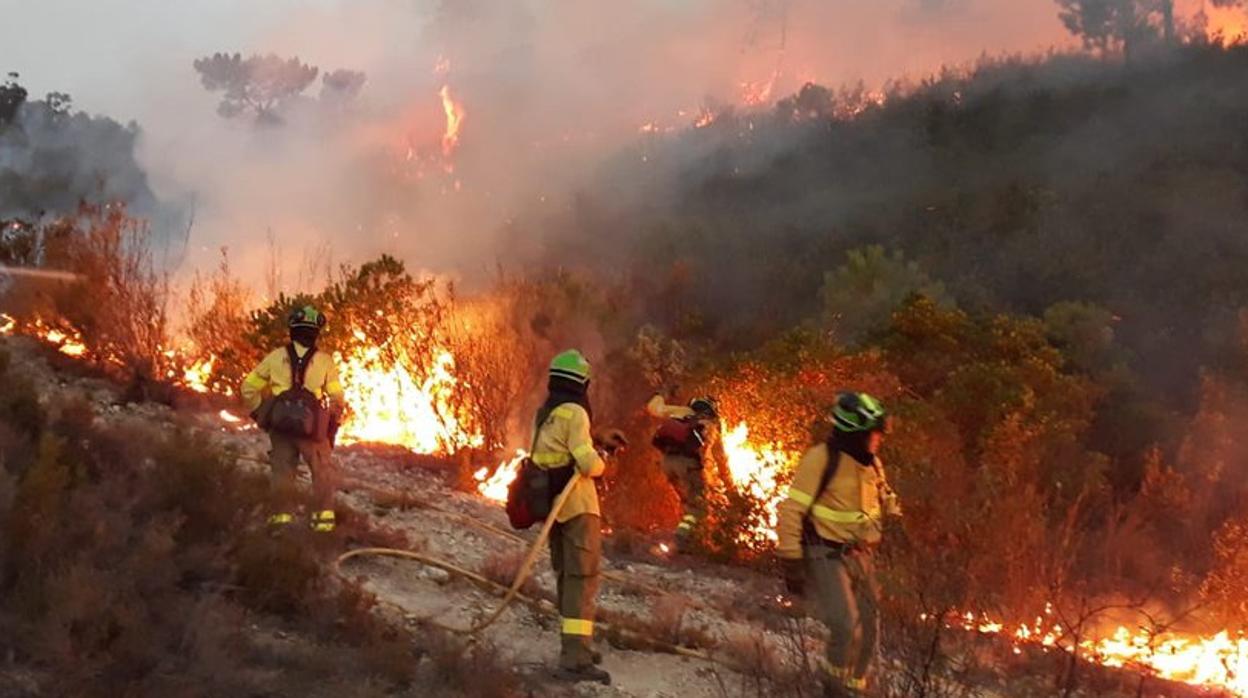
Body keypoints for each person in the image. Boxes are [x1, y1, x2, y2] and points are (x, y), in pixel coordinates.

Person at [775, 392, 902, 697]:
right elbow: (792, 511)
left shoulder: (873, 464)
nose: (877, 441)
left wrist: (896, 520)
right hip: (825, 553)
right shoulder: (820, 459)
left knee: (870, 628)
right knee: (846, 626)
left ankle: (854, 687)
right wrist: (791, 561)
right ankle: (832, 689)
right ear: (853, 434)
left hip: (862, 555)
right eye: (872, 435)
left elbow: (885, 496)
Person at [530, 349, 613, 685]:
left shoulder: (546, 413)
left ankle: (575, 647)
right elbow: (587, 463)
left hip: (554, 507)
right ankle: (575, 659)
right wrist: (603, 459)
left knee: (567, 577)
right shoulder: (577, 413)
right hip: (578, 507)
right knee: (583, 578)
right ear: (582, 382)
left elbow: (558, 450)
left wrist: (596, 442)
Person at [241, 305, 345, 532]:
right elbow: (337, 398)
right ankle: (322, 527)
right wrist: (332, 426)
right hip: (313, 431)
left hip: (280, 429)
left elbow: (248, 388)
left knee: (281, 476)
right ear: (316, 333)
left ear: (292, 331)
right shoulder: (325, 362)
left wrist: (261, 414)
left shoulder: (275, 358)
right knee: (322, 474)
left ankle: (280, 525)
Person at [646, 393, 726, 552]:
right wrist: (728, 483)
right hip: (688, 464)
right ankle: (681, 541)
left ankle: (688, 535)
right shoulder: (710, 424)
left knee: (686, 501)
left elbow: (654, 409)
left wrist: (658, 394)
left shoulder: (680, 411)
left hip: (667, 463)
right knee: (697, 507)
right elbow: (719, 457)